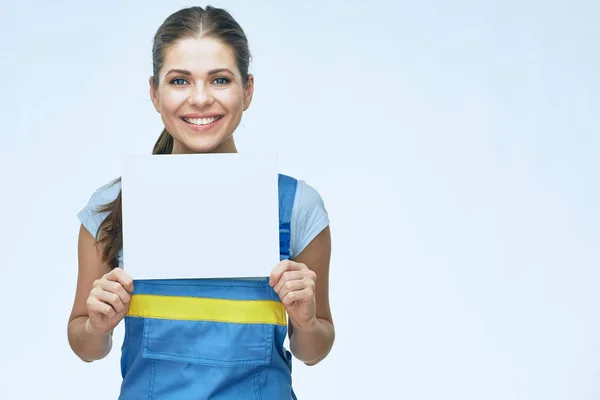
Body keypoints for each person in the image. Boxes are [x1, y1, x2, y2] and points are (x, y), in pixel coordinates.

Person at [66, 5, 334, 399]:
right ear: (155, 93)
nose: (201, 98)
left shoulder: (297, 206)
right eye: (179, 81)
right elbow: (84, 345)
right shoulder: (113, 204)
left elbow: (315, 349)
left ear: (248, 89)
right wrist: (97, 325)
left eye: (220, 79)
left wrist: (307, 321)